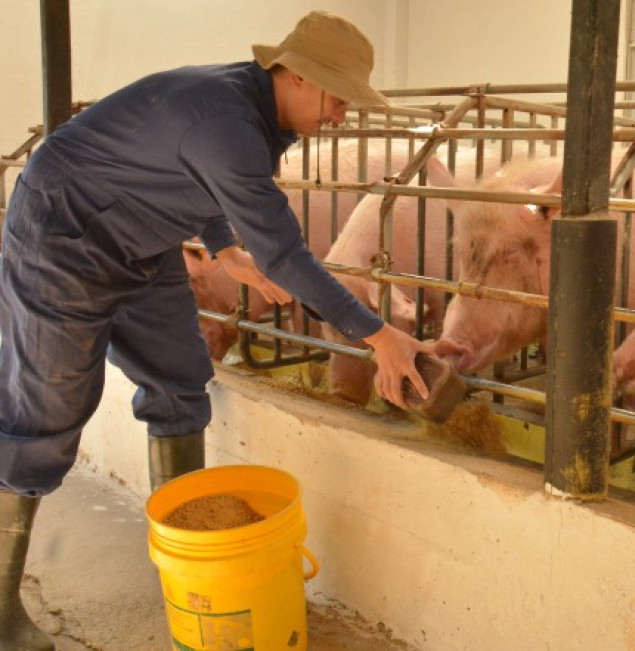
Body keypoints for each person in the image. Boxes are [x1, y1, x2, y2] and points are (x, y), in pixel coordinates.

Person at [0, 11, 431, 648]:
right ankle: (3, 604)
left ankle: (182, 559)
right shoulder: (226, 119)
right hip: (62, 238)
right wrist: (377, 334)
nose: (343, 115)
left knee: (180, 381)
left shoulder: (251, 112)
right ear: (301, 78)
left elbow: (197, 178)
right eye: (340, 99)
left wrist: (225, 249)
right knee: (48, 411)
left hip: (139, 242)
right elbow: (286, 253)